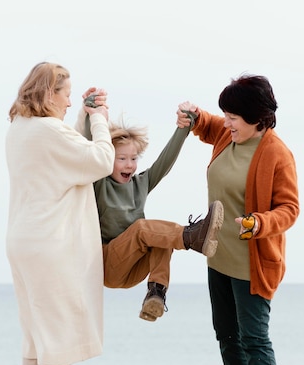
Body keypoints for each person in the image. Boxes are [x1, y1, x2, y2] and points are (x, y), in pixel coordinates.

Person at [176, 74, 300, 365]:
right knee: (227, 337)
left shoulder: (277, 154)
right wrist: (193, 114)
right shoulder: (227, 135)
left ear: (256, 118)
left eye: (233, 116)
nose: (226, 122)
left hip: (253, 265)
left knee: (255, 341)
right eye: (225, 115)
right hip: (217, 258)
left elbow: (289, 209)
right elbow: (207, 124)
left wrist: (259, 223)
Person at [5, 62, 114, 365]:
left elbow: (65, 152)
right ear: (50, 93)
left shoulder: (20, 129)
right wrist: (100, 118)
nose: (68, 103)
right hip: (50, 246)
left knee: (36, 334)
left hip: (22, 240)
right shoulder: (50, 133)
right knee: (58, 339)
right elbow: (101, 160)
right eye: (66, 95)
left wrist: (82, 117)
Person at [75, 109, 224, 321]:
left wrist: (184, 128)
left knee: (162, 237)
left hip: (133, 269)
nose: (129, 164)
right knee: (144, 228)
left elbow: (165, 161)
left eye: (134, 158)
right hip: (106, 265)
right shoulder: (100, 183)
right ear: (108, 160)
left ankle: (156, 295)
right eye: (122, 159)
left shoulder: (141, 183)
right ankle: (192, 236)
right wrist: (93, 116)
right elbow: (89, 151)